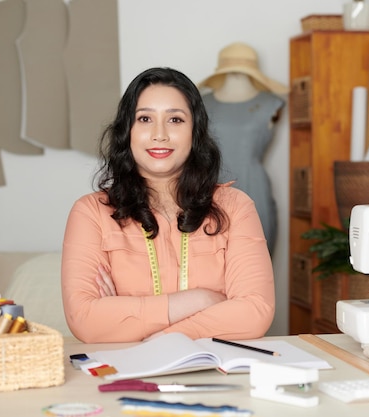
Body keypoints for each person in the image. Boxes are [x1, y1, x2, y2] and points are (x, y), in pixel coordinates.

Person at [61, 67, 275, 343]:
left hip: (218, 375)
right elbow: (85, 320)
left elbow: (255, 312)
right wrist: (201, 300)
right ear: (127, 131)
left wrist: (152, 332)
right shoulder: (91, 213)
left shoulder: (236, 207)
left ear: (195, 132)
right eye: (145, 118)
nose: (159, 134)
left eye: (175, 119)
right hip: (125, 374)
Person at [199, 42, 288, 254]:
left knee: (256, 256)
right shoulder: (202, 104)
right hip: (209, 187)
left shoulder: (270, 104)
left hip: (253, 187)